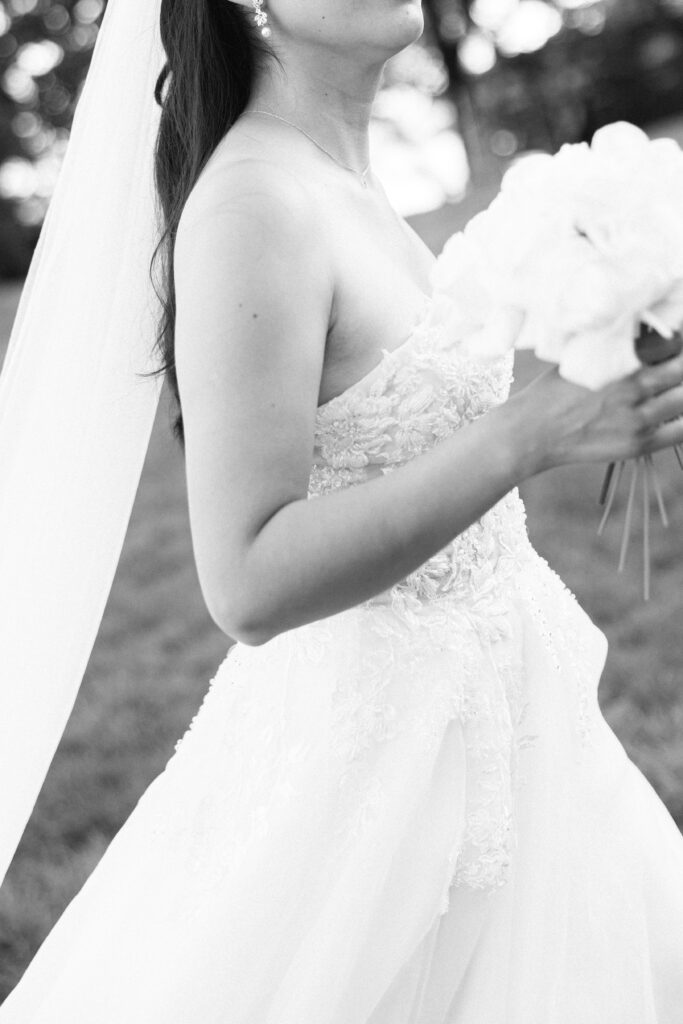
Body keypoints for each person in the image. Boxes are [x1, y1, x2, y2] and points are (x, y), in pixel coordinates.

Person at [1, 0, 683, 1020]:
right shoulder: (251, 205)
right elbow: (245, 578)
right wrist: (525, 435)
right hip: (379, 777)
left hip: (516, 714)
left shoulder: (348, 176)